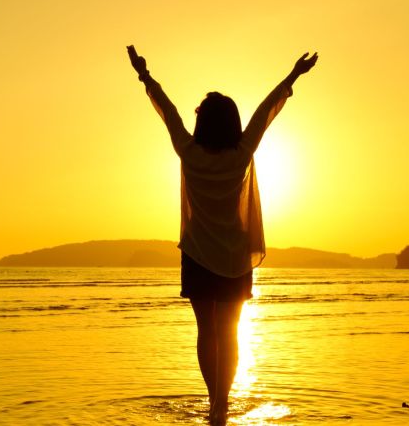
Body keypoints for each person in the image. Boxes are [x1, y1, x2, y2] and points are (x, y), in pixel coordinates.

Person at [127, 45, 317, 425]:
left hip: (197, 254)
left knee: (206, 331)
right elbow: (265, 114)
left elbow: (169, 113)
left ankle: (214, 399)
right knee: (229, 332)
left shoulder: (188, 150)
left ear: (202, 124)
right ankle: (222, 404)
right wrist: (293, 76)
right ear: (232, 124)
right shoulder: (241, 153)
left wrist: (145, 76)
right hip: (233, 256)